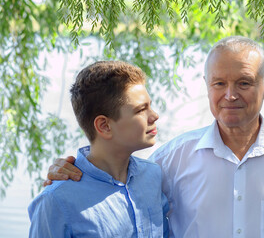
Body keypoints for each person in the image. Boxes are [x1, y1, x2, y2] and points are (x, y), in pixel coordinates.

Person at [45, 36, 264, 237]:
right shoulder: (170, 160)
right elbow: (115, 181)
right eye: (219, 83)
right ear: (207, 86)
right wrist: (66, 173)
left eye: (244, 83)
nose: (230, 95)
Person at [28, 61, 169, 237]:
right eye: (141, 110)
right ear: (104, 126)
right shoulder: (56, 201)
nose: (155, 116)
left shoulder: (152, 175)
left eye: (150, 105)